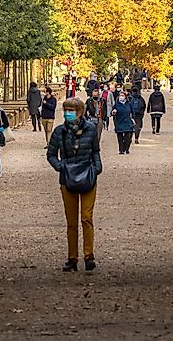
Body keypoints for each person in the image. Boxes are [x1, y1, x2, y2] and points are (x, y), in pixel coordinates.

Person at [46, 97, 102, 272]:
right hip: (67, 177)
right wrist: (60, 167)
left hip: (88, 176)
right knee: (71, 221)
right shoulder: (59, 132)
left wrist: (97, 168)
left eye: (71, 110)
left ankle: (89, 255)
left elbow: (95, 151)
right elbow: (51, 154)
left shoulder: (91, 129)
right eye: (66, 110)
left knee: (86, 217)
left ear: (80, 111)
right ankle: (72, 257)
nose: (68, 113)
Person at [112, 90, 134, 155]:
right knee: (120, 138)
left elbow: (132, 113)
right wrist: (114, 112)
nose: (121, 97)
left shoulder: (129, 104)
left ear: (125, 97)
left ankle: (126, 148)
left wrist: (133, 119)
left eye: (122, 96)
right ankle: (121, 150)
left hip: (127, 122)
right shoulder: (116, 104)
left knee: (128, 137)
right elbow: (112, 113)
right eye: (120, 96)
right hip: (119, 122)